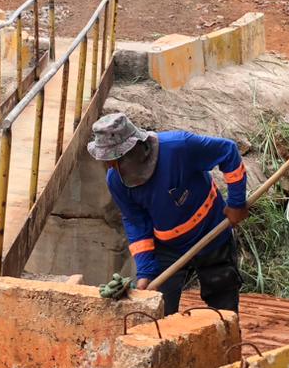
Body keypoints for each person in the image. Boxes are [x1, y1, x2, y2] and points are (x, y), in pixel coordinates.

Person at [87, 112, 248, 315]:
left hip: (211, 230)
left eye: (115, 159)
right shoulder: (116, 181)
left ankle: (228, 342)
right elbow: (136, 223)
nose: (111, 166)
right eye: (107, 161)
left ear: (137, 148)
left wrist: (236, 203)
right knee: (160, 308)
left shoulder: (179, 147)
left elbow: (228, 152)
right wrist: (145, 271)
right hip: (167, 246)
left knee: (223, 301)